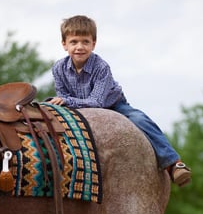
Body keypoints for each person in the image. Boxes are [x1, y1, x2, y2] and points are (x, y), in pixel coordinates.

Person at [48, 15, 192, 187]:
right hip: (76, 109)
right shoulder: (58, 68)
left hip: (112, 105)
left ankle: (173, 163)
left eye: (85, 42)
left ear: (93, 44)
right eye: (74, 42)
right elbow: (61, 95)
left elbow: (96, 102)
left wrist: (66, 100)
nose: (80, 47)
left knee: (139, 118)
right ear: (64, 44)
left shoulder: (101, 67)